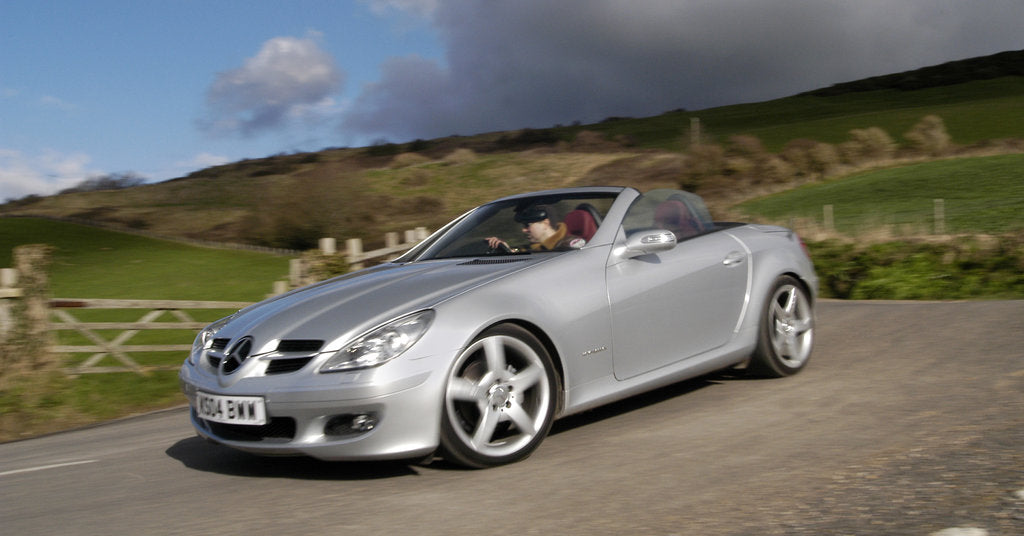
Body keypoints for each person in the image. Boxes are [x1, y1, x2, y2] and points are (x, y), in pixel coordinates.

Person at [486, 205, 586, 252]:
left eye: (527, 225)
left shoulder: (569, 247)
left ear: (545, 223)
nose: (524, 230)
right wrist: (507, 250)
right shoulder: (530, 249)